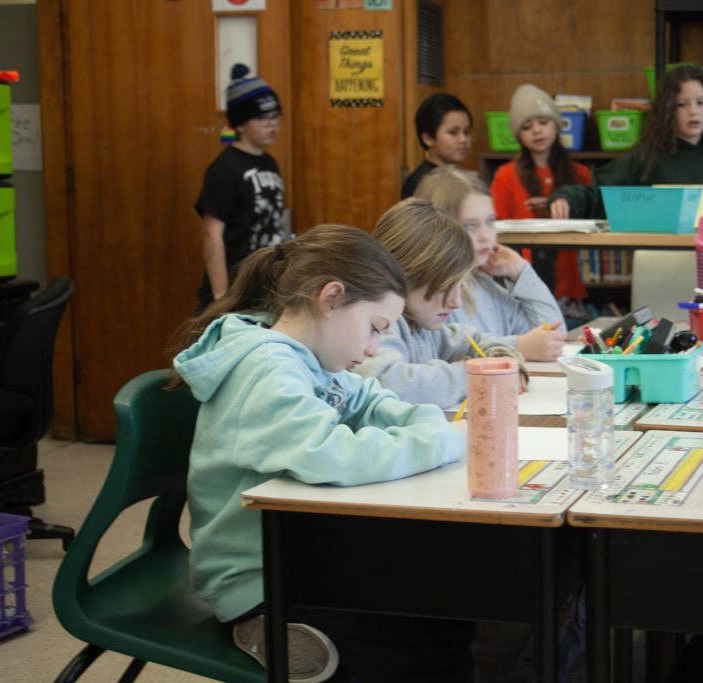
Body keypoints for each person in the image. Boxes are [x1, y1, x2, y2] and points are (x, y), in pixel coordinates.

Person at [170, 225, 474, 682]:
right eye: (374, 328)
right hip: (257, 580)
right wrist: (444, 440)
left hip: (298, 549)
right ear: (331, 297)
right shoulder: (267, 367)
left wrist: (429, 425)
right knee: (425, 653)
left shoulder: (308, 358)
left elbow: (370, 399)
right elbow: (327, 454)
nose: (374, 348)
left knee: (443, 620)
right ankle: (263, 630)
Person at [354, 198, 527, 410]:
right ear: (403, 275)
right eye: (445, 288)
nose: (456, 302)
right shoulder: (380, 326)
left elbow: (475, 340)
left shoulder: (425, 327)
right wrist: (475, 375)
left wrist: (501, 359)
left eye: (460, 287)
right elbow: (389, 383)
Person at [549, 65, 703, 224]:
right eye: (681, 104)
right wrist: (566, 199)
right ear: (667, 111)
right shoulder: (648, 157)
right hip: (663, 260)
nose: (693, 111)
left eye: (701, 102)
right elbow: (599, 193)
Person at [414, 165, 566, 360]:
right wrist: (516, 347)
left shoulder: (486, 286)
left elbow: (554, 338)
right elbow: (445, 356)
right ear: (439, 228)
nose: (486, 236)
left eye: (490, 221)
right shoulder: (431, 298)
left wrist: (521, 272)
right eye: (470, 226)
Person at [194, 63, 288, 311]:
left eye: (275, 117)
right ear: (240, 124)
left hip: (265, 287)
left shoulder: (270, 163)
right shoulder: (224, 168)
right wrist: (221, 297)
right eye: (262, 118)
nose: (272, 125)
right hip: (233, 292)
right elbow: (211, 234)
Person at [491, 84, 593, 305]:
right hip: (522, 276)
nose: (537, 130)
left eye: (544, 122)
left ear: (557, 126)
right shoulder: (505, 175)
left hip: (568, 277)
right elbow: (496, 227)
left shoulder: (580, 173)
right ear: (518, 135)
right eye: (527, 127)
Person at [401, 93, 473, 199]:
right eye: (453, 132)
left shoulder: (458, 177)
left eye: (466, 132)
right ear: (428, 138)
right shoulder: (422, 182)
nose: (463, 139)